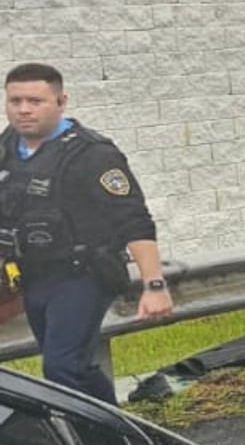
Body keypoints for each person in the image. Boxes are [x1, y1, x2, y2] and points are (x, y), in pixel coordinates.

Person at [0, 64, 172, 406]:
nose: (23, 109)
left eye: (35, 100)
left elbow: (133, 219)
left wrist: (154, 284)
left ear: (61, 102)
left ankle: (103, 444)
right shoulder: (7, 146)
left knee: (63, 367)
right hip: (32, 276)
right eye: (14, 100)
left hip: (83, 274)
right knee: (69, 366)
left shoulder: (93, 154)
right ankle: (113, 434)